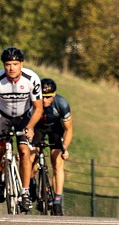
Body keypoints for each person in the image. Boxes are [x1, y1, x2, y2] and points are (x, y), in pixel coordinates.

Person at [0, 46, 43, 212]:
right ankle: (1, 179)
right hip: (3, 115)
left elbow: (38, 108)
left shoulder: (31, 79)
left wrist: (29, 127)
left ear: (21, 64)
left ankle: (26, 192)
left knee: (23, 150)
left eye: (15, 64)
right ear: (3, 65)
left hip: (24, 117)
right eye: (8, 64)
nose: (11, 68)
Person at [32, 77, 73, 215]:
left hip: (55, 128)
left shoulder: (61, 104)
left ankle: (57, 201)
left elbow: (68, 129)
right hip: (37, 127)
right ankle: (32, 183)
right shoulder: (32, 102)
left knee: (57, 161)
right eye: (42, 96)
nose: (44, 100)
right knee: (31, 156)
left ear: (54, 95)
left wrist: (64, 148)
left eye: (48, 97)